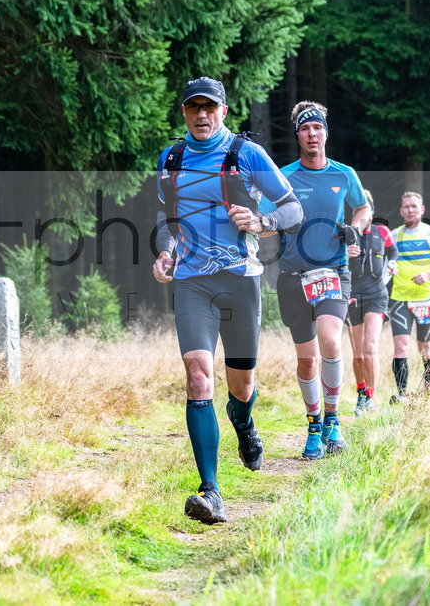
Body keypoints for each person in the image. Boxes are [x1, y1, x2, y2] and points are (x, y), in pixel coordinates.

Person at [152, 76, 303, 525]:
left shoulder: (246, 154)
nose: (202, 115)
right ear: (183, 112)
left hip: (240, 280)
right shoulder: (171, 157)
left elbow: (292, 208)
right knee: (198, 377)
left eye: (209, 107)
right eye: (193, 107)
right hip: (193, 281)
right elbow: (165, 217)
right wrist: (164, 250)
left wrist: (262, 220)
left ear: (223, 110)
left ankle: (243, 420)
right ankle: (211, 491)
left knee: (241, 385)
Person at [260, 101, 370, 459]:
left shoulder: (343, 174)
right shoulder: (284, 176)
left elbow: (363, 207)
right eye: (306, 129)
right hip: (293, 277)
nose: (312, 134)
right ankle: (313, 423)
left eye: (318, 128)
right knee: (308, 361)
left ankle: (333, 420)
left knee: (332, 343)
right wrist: (262, 224)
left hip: (334, 273)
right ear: (298, 135)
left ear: (326, 133)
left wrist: (355, 229)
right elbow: (264, 218)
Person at [388, 191, 430, 403]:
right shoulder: (394, 235)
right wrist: (388, 270)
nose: (410, 210)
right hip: (399, 299)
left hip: (425, 298)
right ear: (401, 211)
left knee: (425, 348)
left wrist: (429, 274)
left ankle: (428, 384)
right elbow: (385, 263)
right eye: (406, 206)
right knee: (401, 347)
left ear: (422, 209)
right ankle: (403, 394)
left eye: (414, 206)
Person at [346, 189, 398, 415]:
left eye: (366, 207)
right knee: (358, 352)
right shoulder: (347, 234)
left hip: (376, 295)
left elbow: (393, 252)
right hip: (352, 296)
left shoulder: (382, 232)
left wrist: (393, 264)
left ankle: (371, 398)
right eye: (359, 208)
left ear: (371, 210)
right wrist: (346, 253)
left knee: (370, 347)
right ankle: (360, 394)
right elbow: (333, 260)